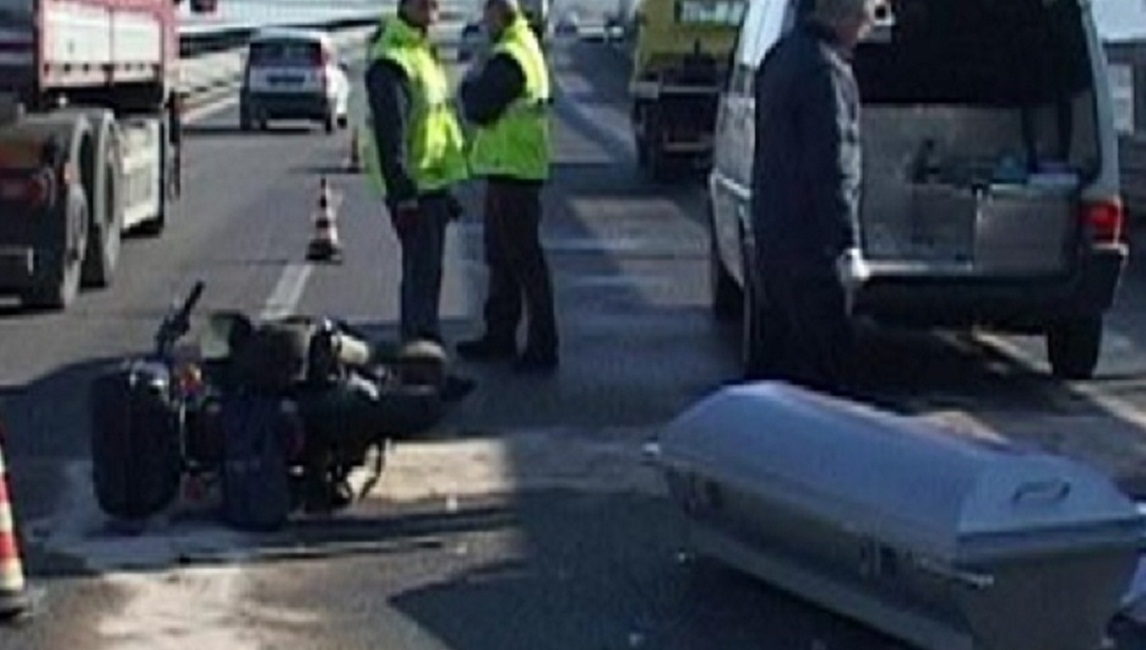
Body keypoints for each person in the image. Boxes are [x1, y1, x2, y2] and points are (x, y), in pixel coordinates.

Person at [749, 0, 877, 393]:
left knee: (780, 367)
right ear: (847, 17)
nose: (866, 32)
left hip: (776, 239)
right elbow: (832, 165)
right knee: (826, 376)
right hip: (813, 251)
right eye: (867, 20)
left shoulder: (780, 57)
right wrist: (846, 245)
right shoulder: (826, 71)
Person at [455, 0, 559, 373]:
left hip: (515, 170)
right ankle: (500, 334)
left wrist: (469, 85)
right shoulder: (524, 46)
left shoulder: (510, 56)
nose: (483, 21)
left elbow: (479, 106)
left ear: (500, 13)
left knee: (524, 261)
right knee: (502, 258)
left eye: (487, 13)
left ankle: (541, 345)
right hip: (511, 168)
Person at [363, 0, 469, 345]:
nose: (432, 5)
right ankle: (420, 364)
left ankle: (424, 359)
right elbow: (390, 133)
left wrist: (446, 185)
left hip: (432, 184)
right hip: (415, 188)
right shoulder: (393, 58)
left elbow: (436, 122)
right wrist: (403, 193)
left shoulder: (421, 50)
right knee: (421, 277)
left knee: (427, 274)